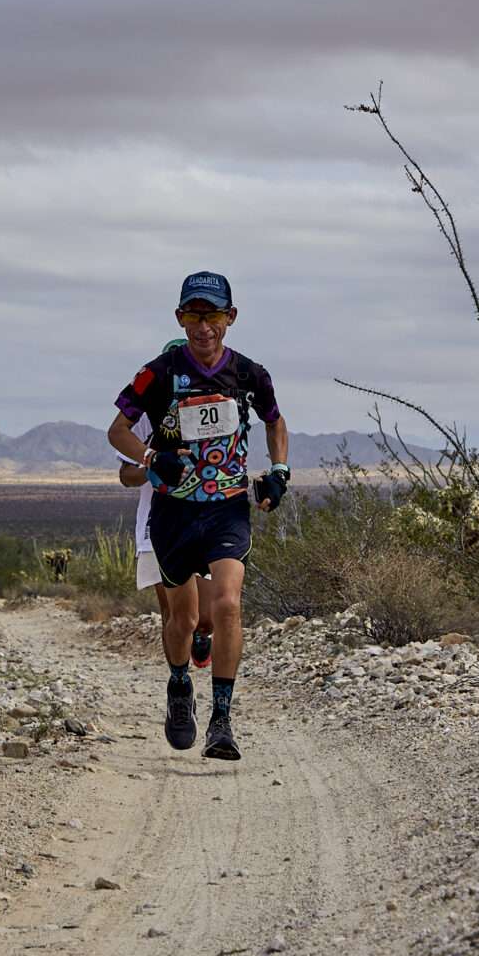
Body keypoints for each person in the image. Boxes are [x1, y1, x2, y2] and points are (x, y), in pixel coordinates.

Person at [107, 271, 288, 760]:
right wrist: (152, 459)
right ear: (179, 318)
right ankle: (180, 684)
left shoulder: (250, 374)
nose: (203, 325)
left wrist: (279, 472)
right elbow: (117, 430)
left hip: (227, 507)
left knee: (226, 606)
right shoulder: (157, 373)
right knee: (181, 618)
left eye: (212, 315)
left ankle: (222, 722)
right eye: (193, 315)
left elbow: (275, 422)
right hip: (173, 512)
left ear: (231, 317)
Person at [116, 341, 216, 683]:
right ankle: (179, 683)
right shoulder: (144, 417)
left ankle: (202, 635)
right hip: (156, 523)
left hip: (204, 519)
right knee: (173, 614)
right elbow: (126, 475)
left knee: (204, 617)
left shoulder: (211, 413)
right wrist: (154, 465)